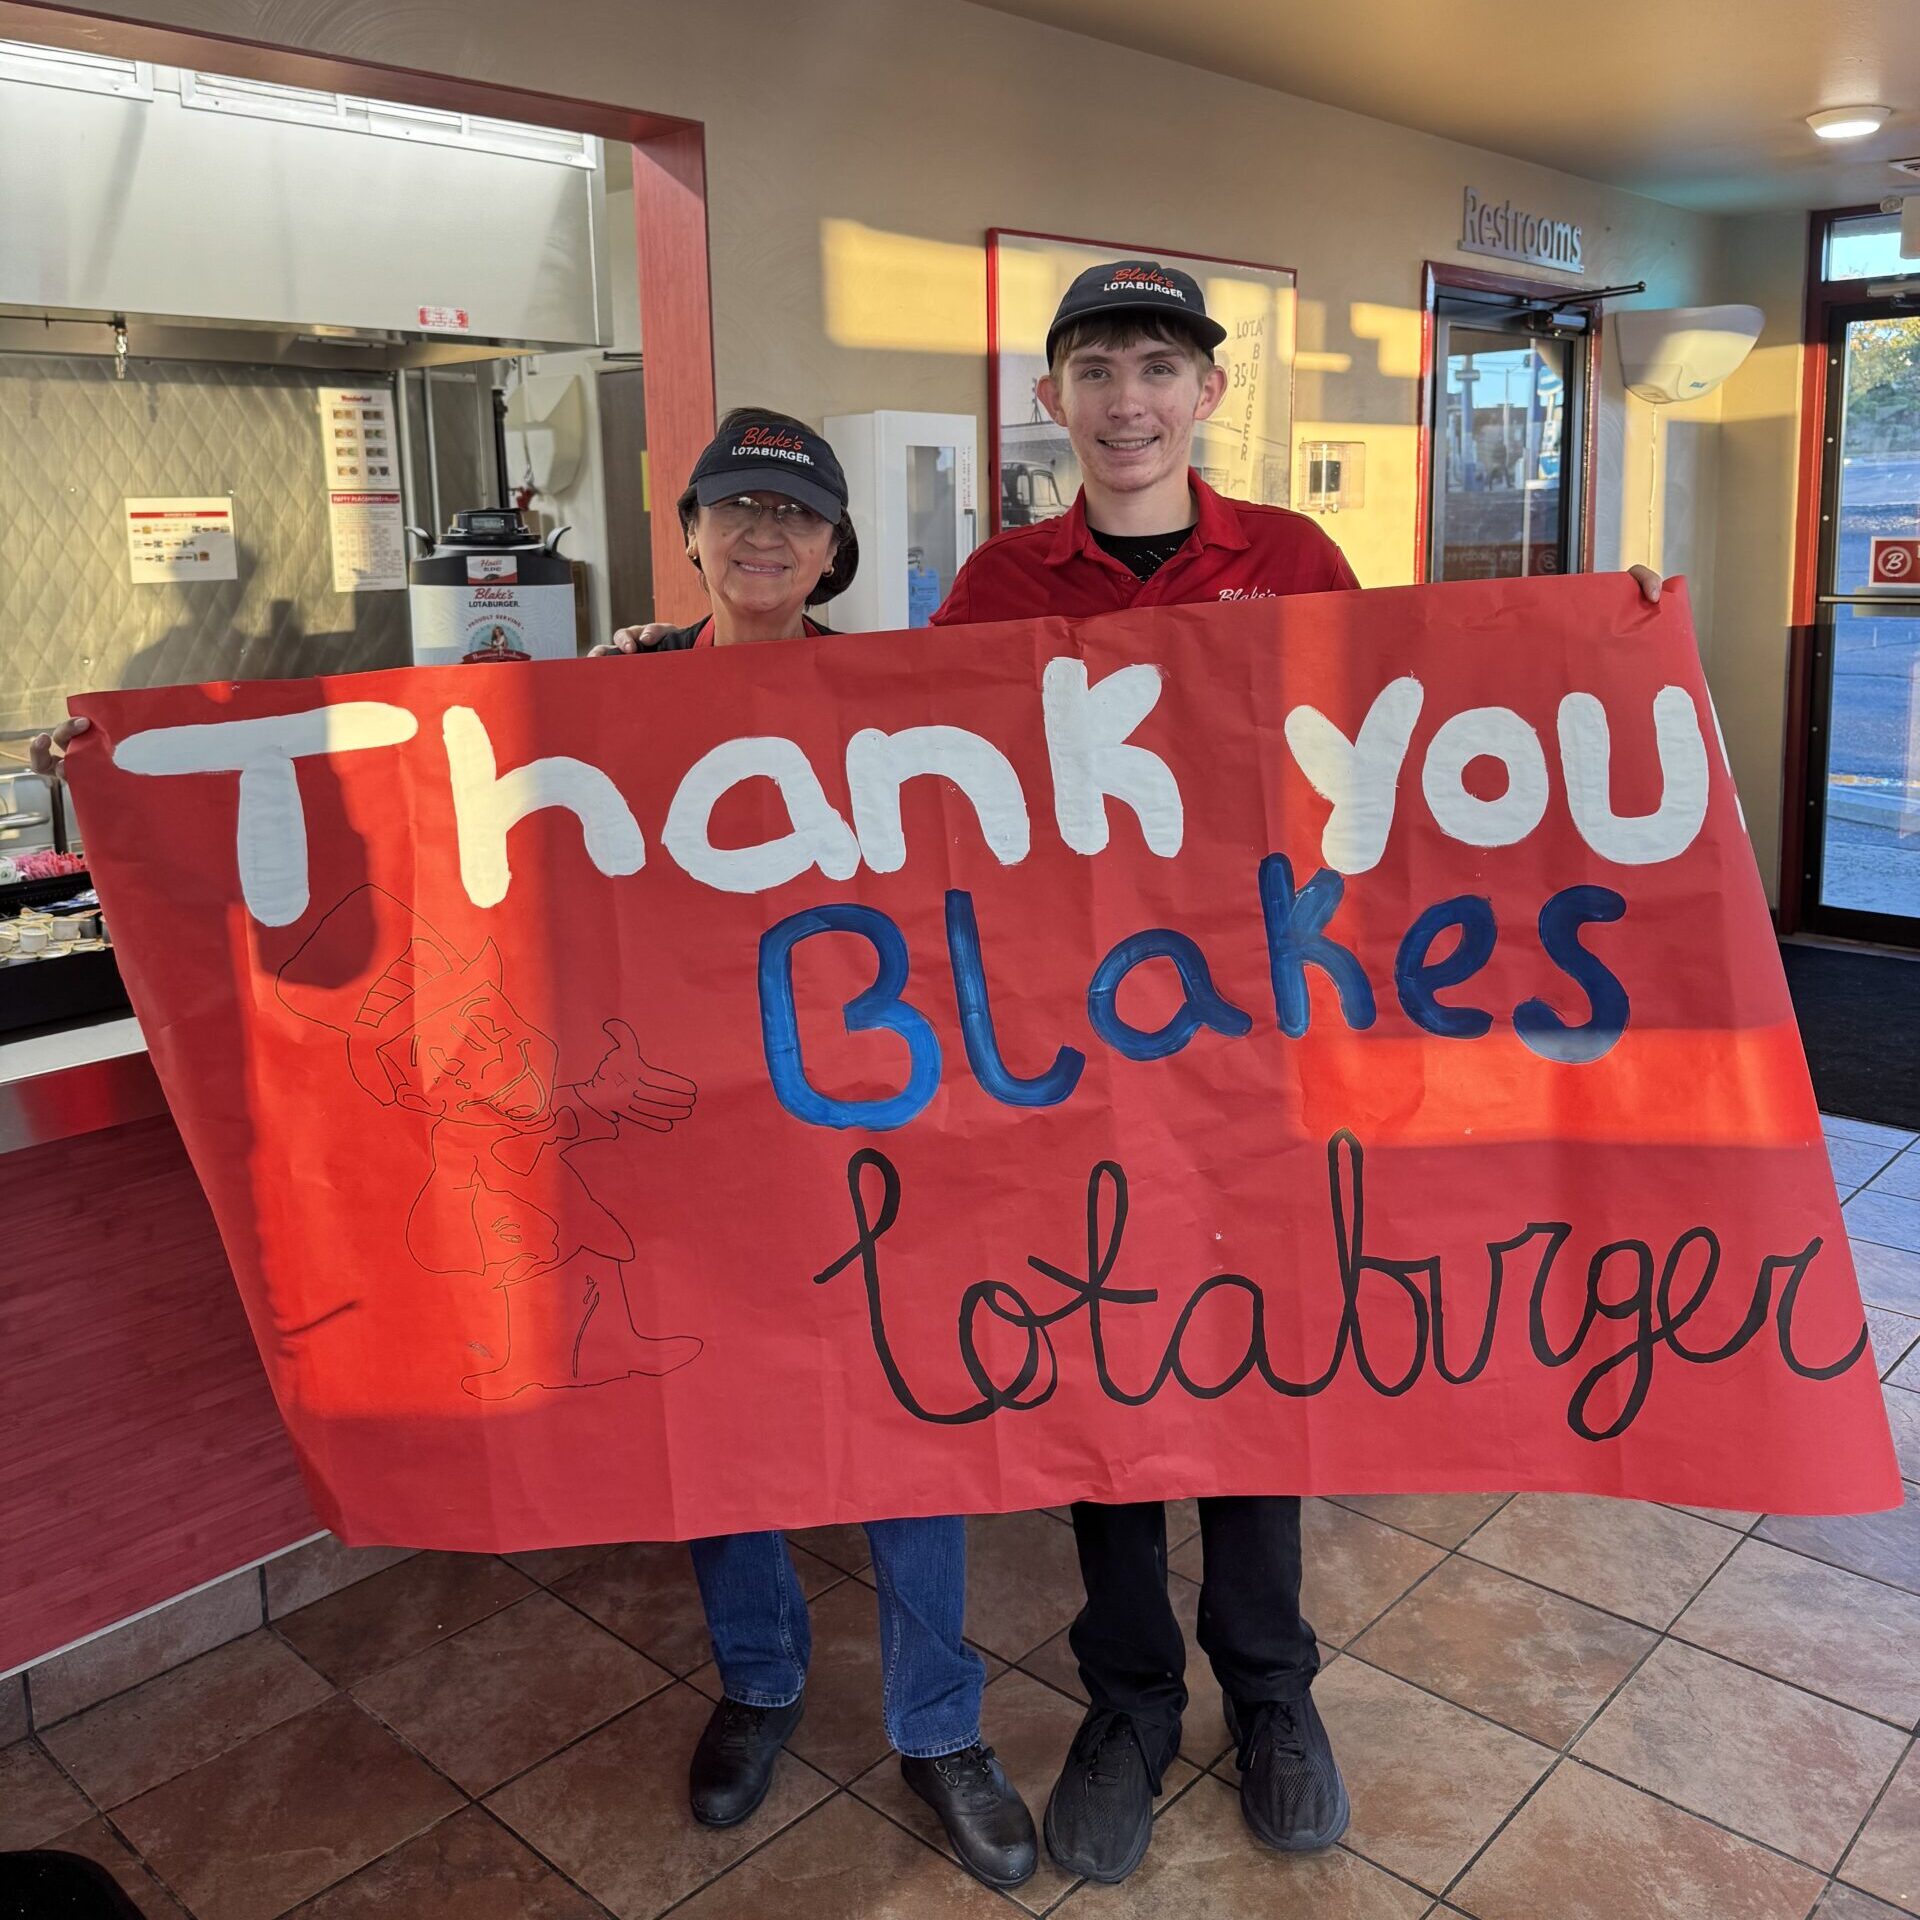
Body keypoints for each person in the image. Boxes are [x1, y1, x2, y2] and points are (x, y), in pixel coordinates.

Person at [927, 259, 1666, 1885]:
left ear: (1206, 395)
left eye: (1158, 368)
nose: (1128, 399)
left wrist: (1601, 645)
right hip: (1073, 1055)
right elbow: (918, 806)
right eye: (1098, 369)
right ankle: (1126, 1701)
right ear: (1056, 399)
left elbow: (1402, 749)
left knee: (1252, 1368)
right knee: (1106, 1358)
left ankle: (1270, 1690)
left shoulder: (1298, 560)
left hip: (1263, 1043)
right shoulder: (992, 587)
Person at [592, 408, 1037, 1891]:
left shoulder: (904, 695)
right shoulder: (611, 702)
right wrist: (138, 773)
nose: (764, 535)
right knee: (719, 1428)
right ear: (694, 535)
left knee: (912, 1420)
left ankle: (938, 1724)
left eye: (796, 514)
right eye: (737, 510)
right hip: (699, 1140)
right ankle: (763, 1680)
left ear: (837, 548)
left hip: (879, 1124)